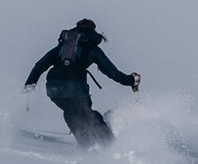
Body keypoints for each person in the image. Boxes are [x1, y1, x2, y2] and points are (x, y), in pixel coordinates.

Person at [25, 19, 140, 148]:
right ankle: (110, 145)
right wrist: (130, 80)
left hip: (54, 89)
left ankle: (86, 145)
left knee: (71, 112)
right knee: (89, 114)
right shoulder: (92, 48)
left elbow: (39, 66)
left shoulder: (63, 46)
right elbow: (112, 73)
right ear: (93, 30)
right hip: (76, 89)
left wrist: (29, 86)